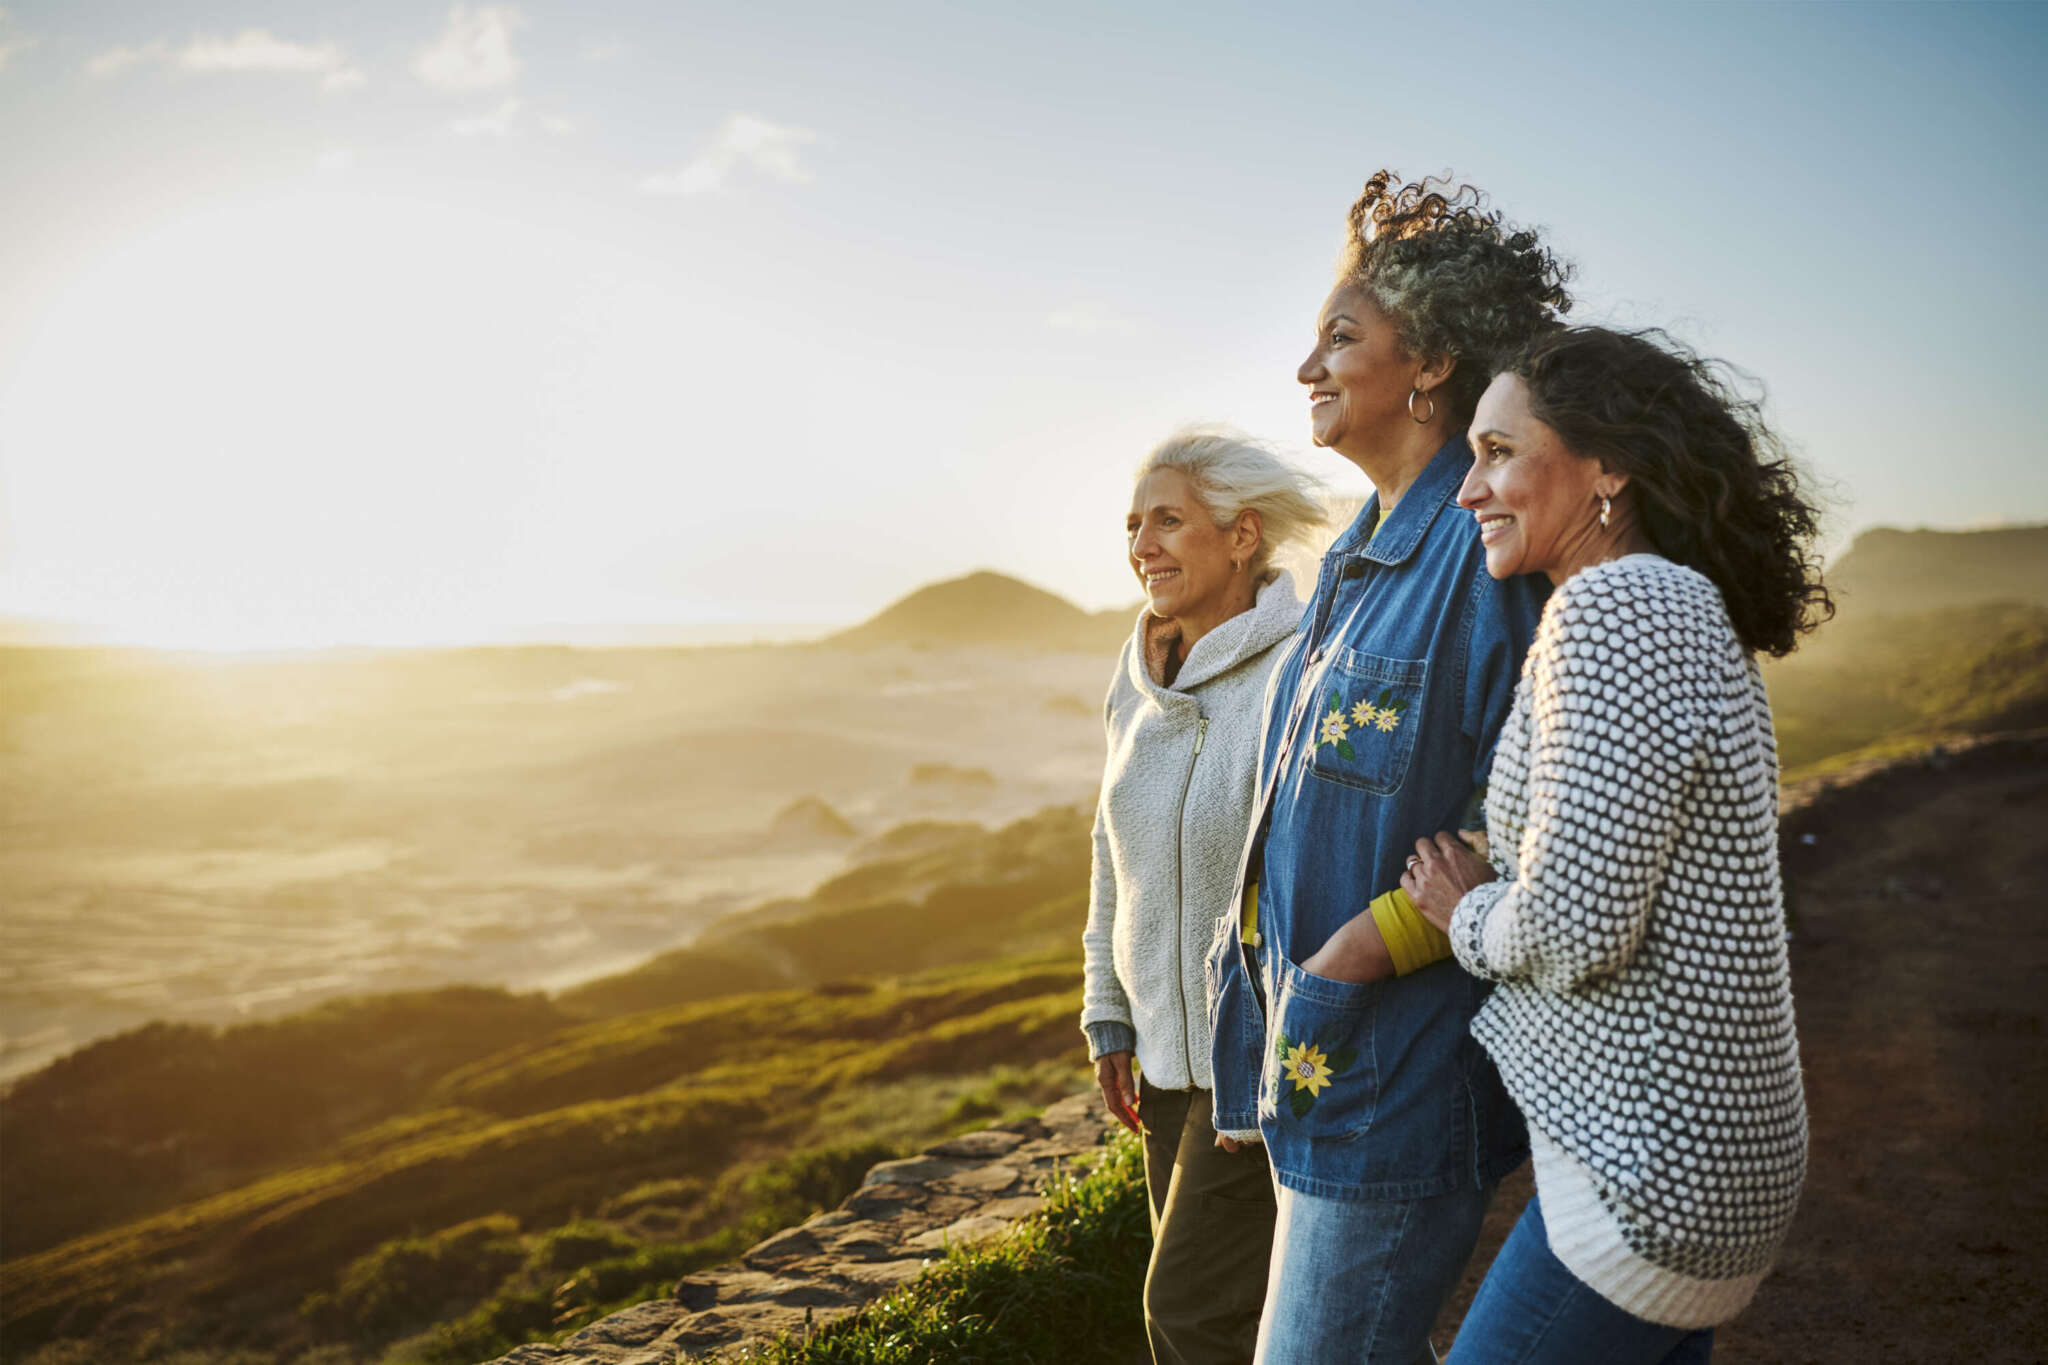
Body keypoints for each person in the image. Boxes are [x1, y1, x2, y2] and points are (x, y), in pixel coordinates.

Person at [1401, 326, 1828, 1363]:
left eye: (1500, 452)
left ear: (1608, 466)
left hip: (1649, 1173)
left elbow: (1573, 926)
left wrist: (1462, 912)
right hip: (1708, 1157)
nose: (1468, 490)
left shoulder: (1618, 606)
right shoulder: (1671, 603)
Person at [1204, 171, 1570, 1365]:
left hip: (1396, 1080)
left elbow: (1531, 822)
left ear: (1430, 367)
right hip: (1324, 1066)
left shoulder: (1481, 555)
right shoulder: (1353, 560)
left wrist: (1348, 960)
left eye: (1339, 339)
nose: (1304, 367)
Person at [1080, 426, 1329, 1365]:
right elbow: (1111, 850)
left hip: (1255, 1064)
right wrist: (1108, 1012)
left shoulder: (1301, 667)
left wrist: (1273, 1044)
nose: (1142, 544)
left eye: (1168, 521)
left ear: (1241, 535)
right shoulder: (1135, 677)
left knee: (1189, 1315)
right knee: (1272, 1317)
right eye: (1133, 525)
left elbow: (1322, 866)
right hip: (1160, 1067)